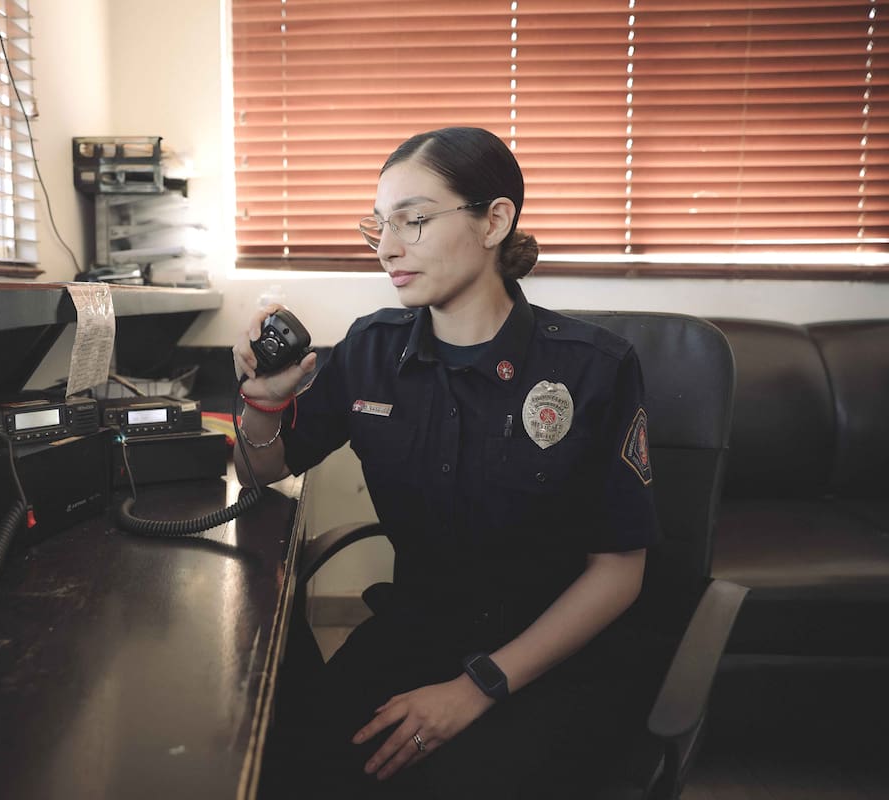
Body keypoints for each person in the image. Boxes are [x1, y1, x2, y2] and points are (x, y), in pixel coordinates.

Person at [233, 127, 661, 799]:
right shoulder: (371, 350)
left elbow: (619, 573)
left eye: (414, 221)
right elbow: (263, 472)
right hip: (419, 631)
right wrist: (262, 405)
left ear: (495, 220)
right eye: (379, 226)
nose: (388, 248)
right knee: (278, 760)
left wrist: (477, 687)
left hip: (550, 657)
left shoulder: (593, 368)